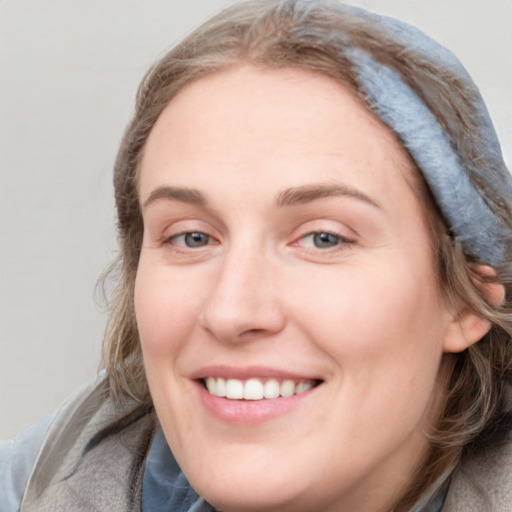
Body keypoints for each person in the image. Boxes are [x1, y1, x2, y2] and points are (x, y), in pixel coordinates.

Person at [2, 0, 512, 510]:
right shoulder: (29, 486)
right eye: (192, 237)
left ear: (466, 300)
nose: (231, 311)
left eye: (323, 238)